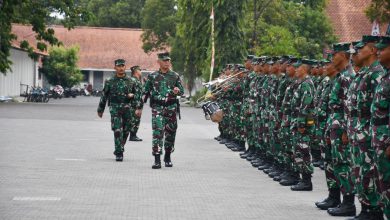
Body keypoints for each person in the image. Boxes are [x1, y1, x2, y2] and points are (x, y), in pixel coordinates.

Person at [143, 52, 184, 169]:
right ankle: (157, 159)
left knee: (170, 133)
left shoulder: (175, 76)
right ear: (159, 62)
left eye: (168, 60)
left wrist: (177, 91)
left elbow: (181, 91)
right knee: (158, 133)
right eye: (164, 60)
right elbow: (145, 91)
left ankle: (167, 156)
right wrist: (138, 107)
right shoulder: (152, 76)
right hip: (157, 108)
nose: (167, 62)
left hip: (171, 108)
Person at [97, 59, 143, 161]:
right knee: (117, 130)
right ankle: (119, 152)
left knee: (126, 130)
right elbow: (104, 95)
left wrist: (136, 103)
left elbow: (138, 95)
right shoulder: (110, 81)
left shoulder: (131, 81)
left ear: (125, 67)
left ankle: (120, 147)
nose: (121, 68)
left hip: (128, 108)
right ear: (115, 68)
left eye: (122, 66)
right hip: (115, 108)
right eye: (119, 66)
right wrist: (100, 109)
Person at [128, 65, 143, 142]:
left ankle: (134, 135)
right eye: (140, 70)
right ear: (136, 71)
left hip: (138, 104)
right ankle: (132, 136)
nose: (141, 71)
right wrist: (131, 95)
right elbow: (128, 92)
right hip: (133, 105)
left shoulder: (138, 80)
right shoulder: (132, 80)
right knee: (133, 120)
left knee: (136, 120)